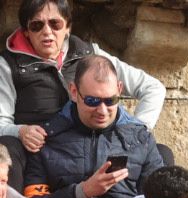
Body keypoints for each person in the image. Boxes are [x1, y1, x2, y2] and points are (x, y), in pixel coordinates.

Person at [20, 57, 164, 198]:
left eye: (110, 100)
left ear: (120, 89)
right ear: (73, 92)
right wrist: (83, 192)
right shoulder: (47, 139)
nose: (102, 111)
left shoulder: (139, 138)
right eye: (92, 101)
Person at [0, 0, 166, 155]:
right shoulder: (7, 65)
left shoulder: (89, 53)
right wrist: (20, 131)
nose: (47, 31)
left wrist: (137, 130)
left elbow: (152, 88)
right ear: (26, 32)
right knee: (10, 148)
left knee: (160, 153)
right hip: (44, 151)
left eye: (55, 24)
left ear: (67, 27)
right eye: (37, 25)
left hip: (95, 145)